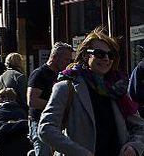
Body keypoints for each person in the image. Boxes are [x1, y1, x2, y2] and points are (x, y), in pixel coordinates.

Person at [39, 27, 144, 156]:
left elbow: (140, 128)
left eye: (110, 55)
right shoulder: (66, 87)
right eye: (99, 54)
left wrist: (133, 147)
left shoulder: (117, 90)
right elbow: (46, 128)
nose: (106, 59)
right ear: (85, 55)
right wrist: (79, 152)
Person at [27, 42, 74, 156]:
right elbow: (32, 100)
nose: (68, 63)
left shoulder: (63, 75)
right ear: (54, 57)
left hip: (58, 123)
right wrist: (57, 105)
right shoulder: (39, 74)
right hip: (40, 122)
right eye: (66, 60)